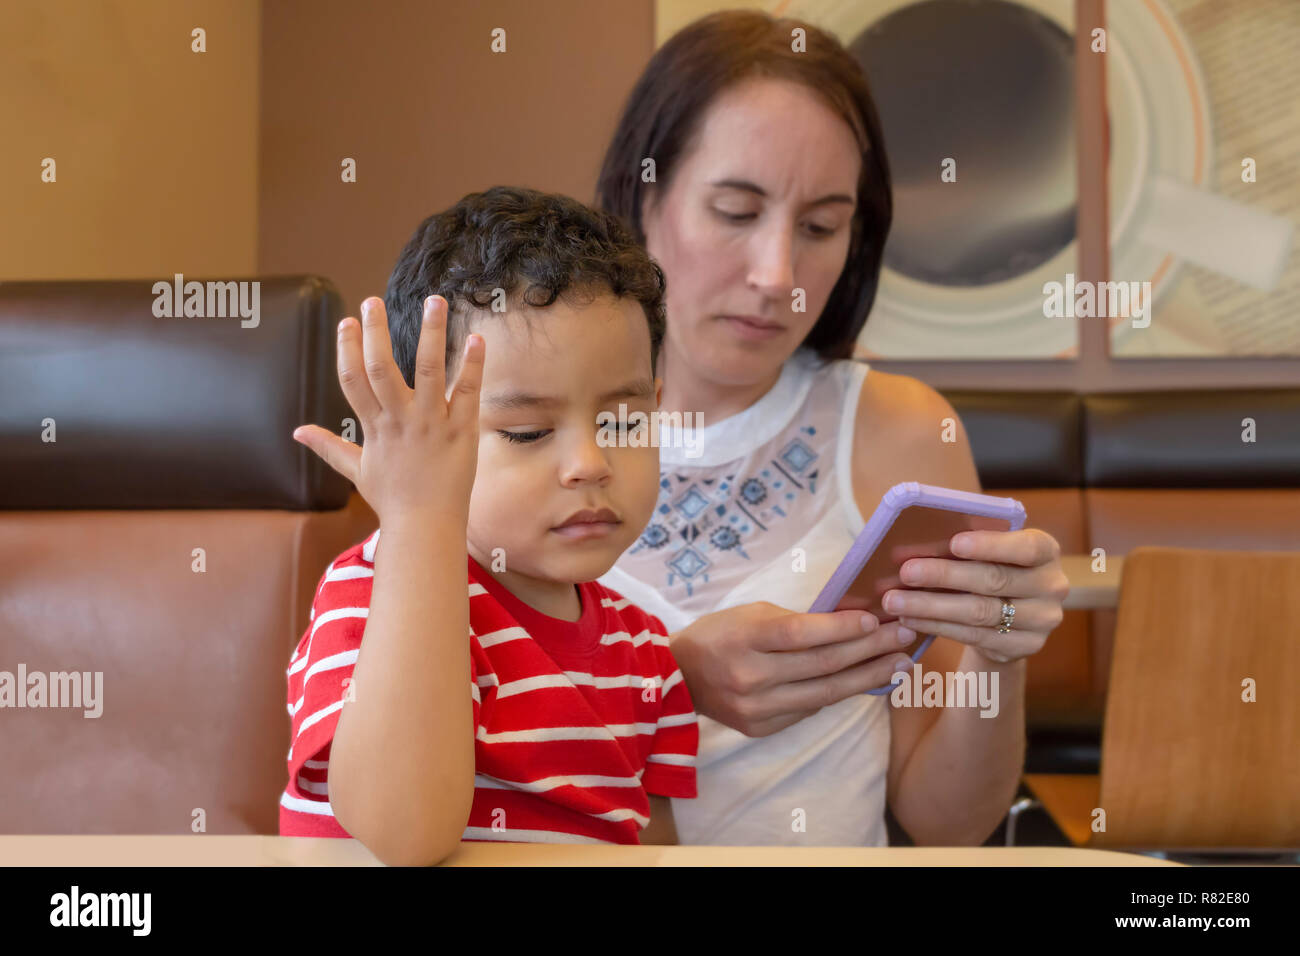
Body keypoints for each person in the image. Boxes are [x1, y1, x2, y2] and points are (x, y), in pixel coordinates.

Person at [594, 10, 1069, 846]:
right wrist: (671, 681)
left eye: (819, 227)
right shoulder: (526, 423)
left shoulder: (902, 433)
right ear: (646, 196)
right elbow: (446, 738)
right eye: (737, 211)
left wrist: (998, 658)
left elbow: (946, 821)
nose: (778, 276)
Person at [281, 186, 698, 865]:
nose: (589, 464)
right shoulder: (372, 592)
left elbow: (652, 855)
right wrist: (419, 515)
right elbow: (406, 833)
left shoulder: (646, 655)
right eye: (529, 431)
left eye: (624, 423)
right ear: (422, 431)